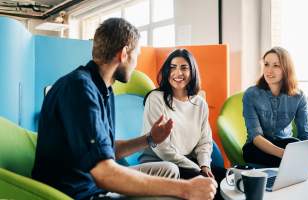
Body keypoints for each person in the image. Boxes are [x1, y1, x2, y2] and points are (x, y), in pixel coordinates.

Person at [31, 18, 217, 200]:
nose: (136, 63)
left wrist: (149, 139)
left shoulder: (104, 90)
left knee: (167, 170)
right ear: (124, 53)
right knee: (174, 194)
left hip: (95, 181)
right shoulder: (80, 89)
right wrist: (185, 189)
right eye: (136, 56)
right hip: (80, 192)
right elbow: (104, 173)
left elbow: (107, 150)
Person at [139, 49, 225, 199]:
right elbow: (162, 149)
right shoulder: (156, 99)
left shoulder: (200, 103)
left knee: (226, 179)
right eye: (172, 67)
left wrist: (205, 165)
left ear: (192, 72)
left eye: (184, 68)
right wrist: (197, 169)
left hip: (188, 163)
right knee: (207, 187)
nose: (177, 73)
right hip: (161, 163)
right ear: (167, 71)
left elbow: (205, 142)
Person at [242, 46, 308, 167]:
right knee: (293, 159)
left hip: (285, 144)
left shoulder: (299, 96)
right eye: (266, 64)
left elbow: (305, 134)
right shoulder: (251, 95)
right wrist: (287, 154)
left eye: (276, 66)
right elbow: (256, 137)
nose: (269, 70)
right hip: (258, 147)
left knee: (294, 143)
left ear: (286, 69)